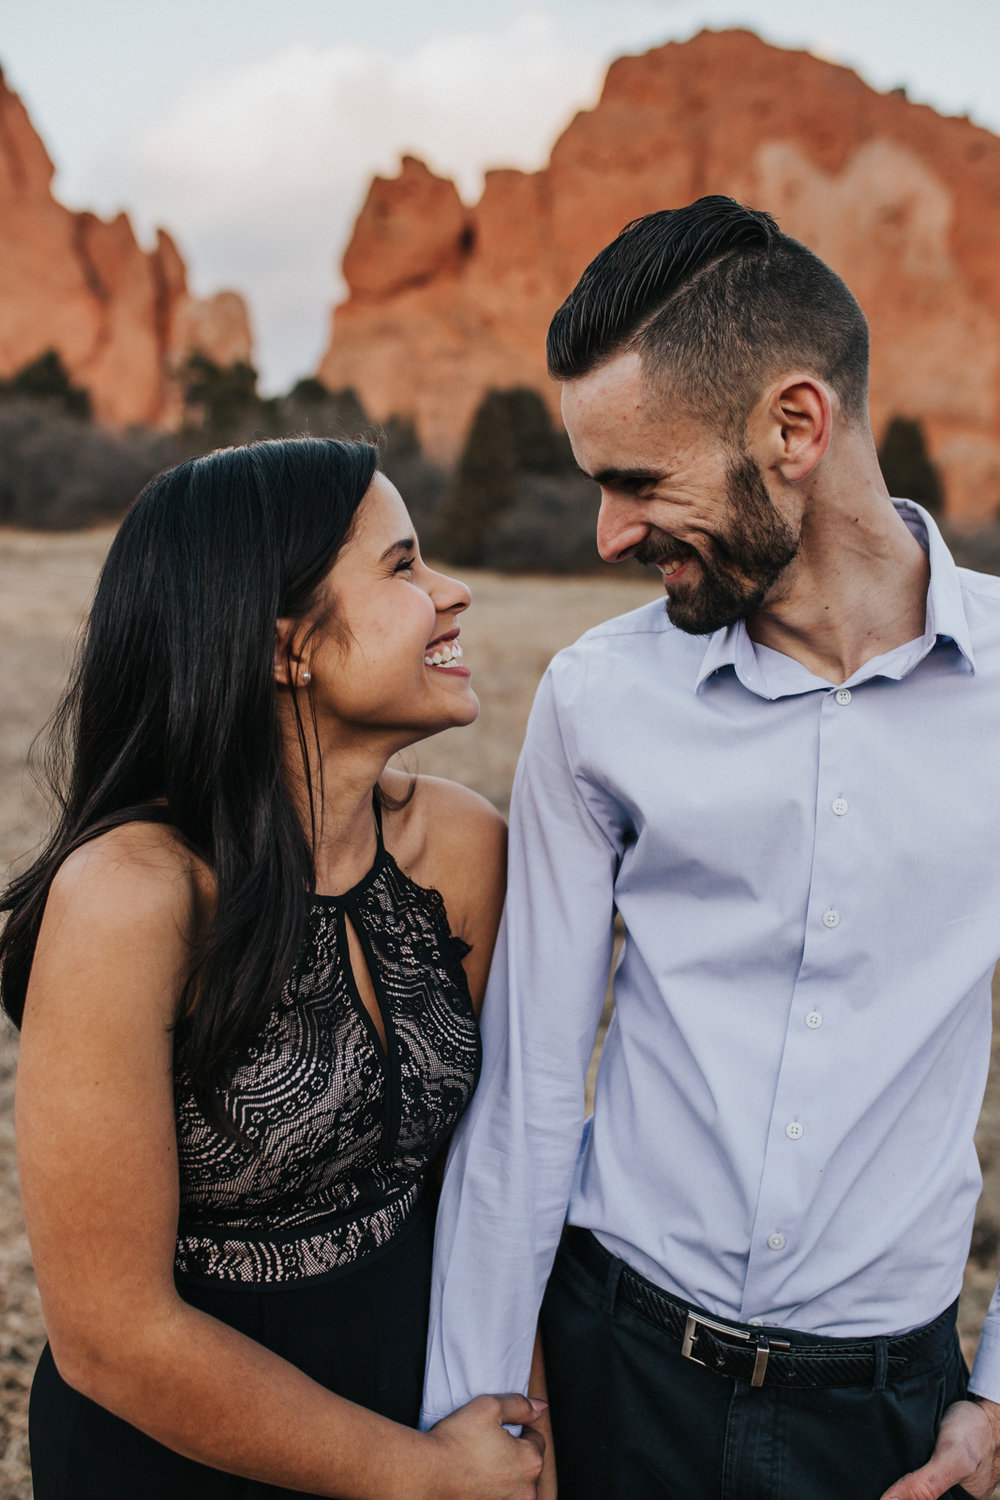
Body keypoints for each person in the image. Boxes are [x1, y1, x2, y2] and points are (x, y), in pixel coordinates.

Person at [421, 196, 1000, 1500]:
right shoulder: (598, 698)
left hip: (887, 1417)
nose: (609, 536)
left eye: (638, 480)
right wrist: (477, 1405)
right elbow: (523, 1093)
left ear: (796, 427)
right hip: (612, 1366)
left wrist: (998, 1397)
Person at [2, 438, 546, 1500]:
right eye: (403, 567)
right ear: (282, 645)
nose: (454, 591)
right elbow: (112, 1334)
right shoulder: (130, 900)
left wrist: (517, 1409)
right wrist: (424, 1477)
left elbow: (486, 1177)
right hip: (181, 1447)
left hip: (419, 1386)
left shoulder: (465, 848)